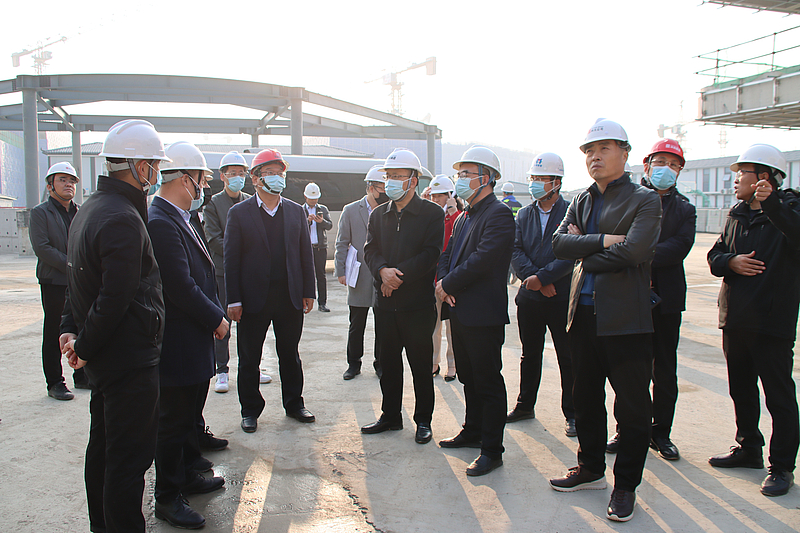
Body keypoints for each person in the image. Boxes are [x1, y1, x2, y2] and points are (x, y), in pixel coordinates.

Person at [59, 119, 169, 533]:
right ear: (139, 167)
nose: (156, 173)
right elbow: (114, 296)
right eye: (154, 165)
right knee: (128, 462)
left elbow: (78, 278)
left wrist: (71, 330)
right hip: (127, 360)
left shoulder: (91, 208)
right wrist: (83, 345)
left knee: (104, 450)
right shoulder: (123, 216)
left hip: (107, 358)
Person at [550, 119, 661, 522]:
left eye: (604, 149)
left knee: (631, 407)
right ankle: (591, 468)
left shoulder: (645, 200)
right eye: (589, 151)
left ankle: (625, 485)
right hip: (582, 313)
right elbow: (558, 244)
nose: (594, 157)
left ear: (625, 153)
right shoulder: (581, 200)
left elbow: (635, 252)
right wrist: (601, 242)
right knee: (585, 397)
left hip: (626, 318)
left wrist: (585, 251)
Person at [707, 143, 800, 498]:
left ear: (764, 176)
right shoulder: (737, 213)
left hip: (771, 322)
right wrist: (730, 262)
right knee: (741, 389)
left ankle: (782, 466)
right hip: (736, 318)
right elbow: (715, 254)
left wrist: (773, 204)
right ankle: (748, 448)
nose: (735, 180)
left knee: (778, 396)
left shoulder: (790, 208)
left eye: (741, 173)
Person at [147, 141, 227, 528]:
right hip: (178, 340)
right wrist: (216, 318)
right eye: (201, 179)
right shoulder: (160, 221)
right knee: (173, 421)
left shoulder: (180, 216)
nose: (204, 186)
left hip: (192, 338)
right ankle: (167, 495)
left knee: (188, 415)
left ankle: (187, 476)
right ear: (184, 179)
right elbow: (179, 286)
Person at [607, 139, 696, 461]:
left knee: (664, 370)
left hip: (667, 299)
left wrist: (637, 250)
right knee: (629, 369)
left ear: (680, 171)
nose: (666, 169)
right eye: (660, 163)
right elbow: (613, 239)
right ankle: (627, 429)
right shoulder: (626, 199)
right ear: (646, 165)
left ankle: (660, 433)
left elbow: (679, 247)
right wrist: (630, 248)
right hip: (629, 295)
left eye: (673, 165)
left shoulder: (685, 208)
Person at [436, 146, 516, 476]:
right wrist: (443, 281)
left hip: (483, 314)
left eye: (467, 173)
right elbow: (448, 254)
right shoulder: (464, 216)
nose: (461, 179)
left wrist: (448, 284)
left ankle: (492, 450)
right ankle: (472, 430)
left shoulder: (498, 214)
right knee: (469, 377)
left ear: (488, 177)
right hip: (460, 310)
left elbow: (483, 260)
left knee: (487, 381)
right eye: (460, 173)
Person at [224, 148, 316, 433]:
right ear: (255, 179)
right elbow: (231, 260)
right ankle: (250, 410)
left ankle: (294, 404)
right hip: (253, 299)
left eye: (280, 173)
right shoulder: (239, 213)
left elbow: (305, 254)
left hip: (289, 296)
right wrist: (233, 299)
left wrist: (309, 291)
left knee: (290, 354)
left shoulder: (295, 211)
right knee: (249, 357)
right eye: (270, 173)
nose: (277, 178)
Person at [362, 148, 444, 445]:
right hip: (385, 305)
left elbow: (431, 254)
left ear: (413, 180)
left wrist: (397, 277)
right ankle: (390, 416)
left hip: (417, 305)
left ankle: (423, 420)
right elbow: (370, 250)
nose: (392, 181)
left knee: (420, 366)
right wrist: (382, 271)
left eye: (398, 176)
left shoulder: (431, 214)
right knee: (388, 365)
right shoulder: (378, 214)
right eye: (389, 176)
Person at [507, 152, 576, 437]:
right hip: (530, 297)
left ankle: (572, 413)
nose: (535, 183)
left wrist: (543, 279)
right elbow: (515, 250)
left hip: (560, 296)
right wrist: (534, 280)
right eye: (533, 178)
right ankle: (525, 405)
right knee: (530, 354)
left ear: (556, 182)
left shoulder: (572, 212)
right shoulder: (524, 213)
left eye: (541, 179)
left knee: (567, 357)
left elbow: (572, 252)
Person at [203, 151, 271, 394]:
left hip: (249, 275)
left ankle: (253, 367)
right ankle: (222, 370)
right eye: (233, 173)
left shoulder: (251, 201)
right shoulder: (213, 204)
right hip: (224, 272)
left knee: (252, 324)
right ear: (222, 176)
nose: (238, 177)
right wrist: (242, 252)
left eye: (241, 173)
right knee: (224, 321)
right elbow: (214, 239)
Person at [30, 161, 87, 400]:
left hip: (79, 280)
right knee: (55, 330)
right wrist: (72, 265)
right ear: (50, 185)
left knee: (81, 326)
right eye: (62, 180)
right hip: (54, 281)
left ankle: (81, 375)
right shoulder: (40, 213)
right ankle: (55, 382)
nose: (68, 184)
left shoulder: (81, 212)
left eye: (72, 180)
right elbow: (42, 248)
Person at [335, 165, 386, 380]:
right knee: (357, 324)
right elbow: (342, 242)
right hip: (359, 274)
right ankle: (353, 364)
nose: (385, 192)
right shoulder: (350, 210)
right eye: (382, 187)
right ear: (370, 188)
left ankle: (380, 363)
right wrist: (341, 271)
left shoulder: (389, 210)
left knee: (383, 325)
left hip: (383, 275)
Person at [427, 175, 461, 382]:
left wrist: (452, 211)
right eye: (433, 196)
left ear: (450, 196)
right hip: (432, 279)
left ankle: (453, 365)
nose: (435, 200)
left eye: (440, 196)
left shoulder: (457, 216)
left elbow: (458, 239)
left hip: (450, 280)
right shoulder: (430, 216)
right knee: (434, 326)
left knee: (451, 328)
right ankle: (433, 363)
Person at [303, 182, 333, 312]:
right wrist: (308, 221)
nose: (313, 201)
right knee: (305, 275)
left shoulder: (323, 209)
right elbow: (297, 227)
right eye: (311, 199)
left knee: (321, 275)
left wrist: (322, 221)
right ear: (305, 197)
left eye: (315, 199)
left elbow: (330, 225)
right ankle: (305, 302)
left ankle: (322, 303)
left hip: (320, 248)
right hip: (306, 248)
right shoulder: (301, 210)